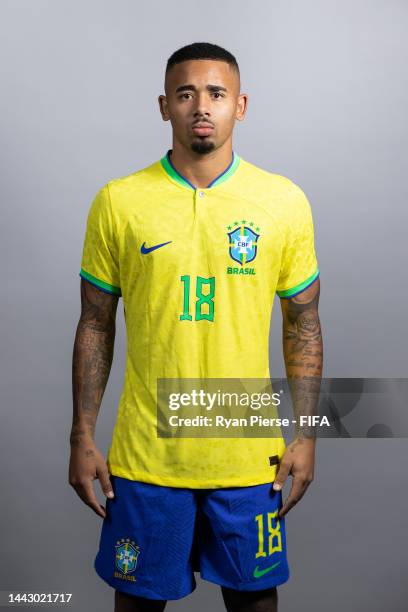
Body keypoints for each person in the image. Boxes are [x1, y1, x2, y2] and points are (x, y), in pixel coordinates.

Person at [69, 42, 323, 612]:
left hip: (248, 456)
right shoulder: (119, 201)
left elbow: (303, 324)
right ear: (165, 106)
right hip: (145, 457)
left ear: (241, 104)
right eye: (186, 94)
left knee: (254, 602)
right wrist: (82, 434)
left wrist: (305, 436)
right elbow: (95, 324)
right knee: (136, 602)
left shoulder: (281, 201)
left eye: (216, 93)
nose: (201, 106)